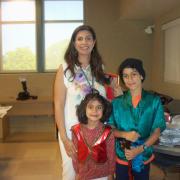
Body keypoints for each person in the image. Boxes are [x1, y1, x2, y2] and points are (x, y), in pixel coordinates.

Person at [54, 25, 121, 180]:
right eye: (80, 38)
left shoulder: (99, 69)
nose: (84, 42)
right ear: (74, 42)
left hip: (97, 131)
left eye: (88, 38)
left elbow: (102, 102)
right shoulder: (65, 69)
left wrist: (117, 96)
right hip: (73, 131)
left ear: (94, 42)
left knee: (99, 173)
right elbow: (58, 104)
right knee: (71, 173)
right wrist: (64, 138)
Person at [108, 58, 166, 180]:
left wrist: (140, 149)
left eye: (134, 74)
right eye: (125, 76)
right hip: (123, 155)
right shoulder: (117, 103)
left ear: (141, 76)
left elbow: (157, 131)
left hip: (143, 154)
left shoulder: (153, 101)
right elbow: (110, 129)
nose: (130, 79)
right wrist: (125, 134)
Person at [71, 92, 115, 180]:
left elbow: (111, 154)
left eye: (99, 107)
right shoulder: (76, 130)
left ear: (104, 110)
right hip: (84, 175)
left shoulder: (108, 131)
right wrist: (77, 172)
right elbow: (75, 155)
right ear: (84, 109)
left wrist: (111, 173)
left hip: (103, 174)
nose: (94, 111)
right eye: (90, 107)